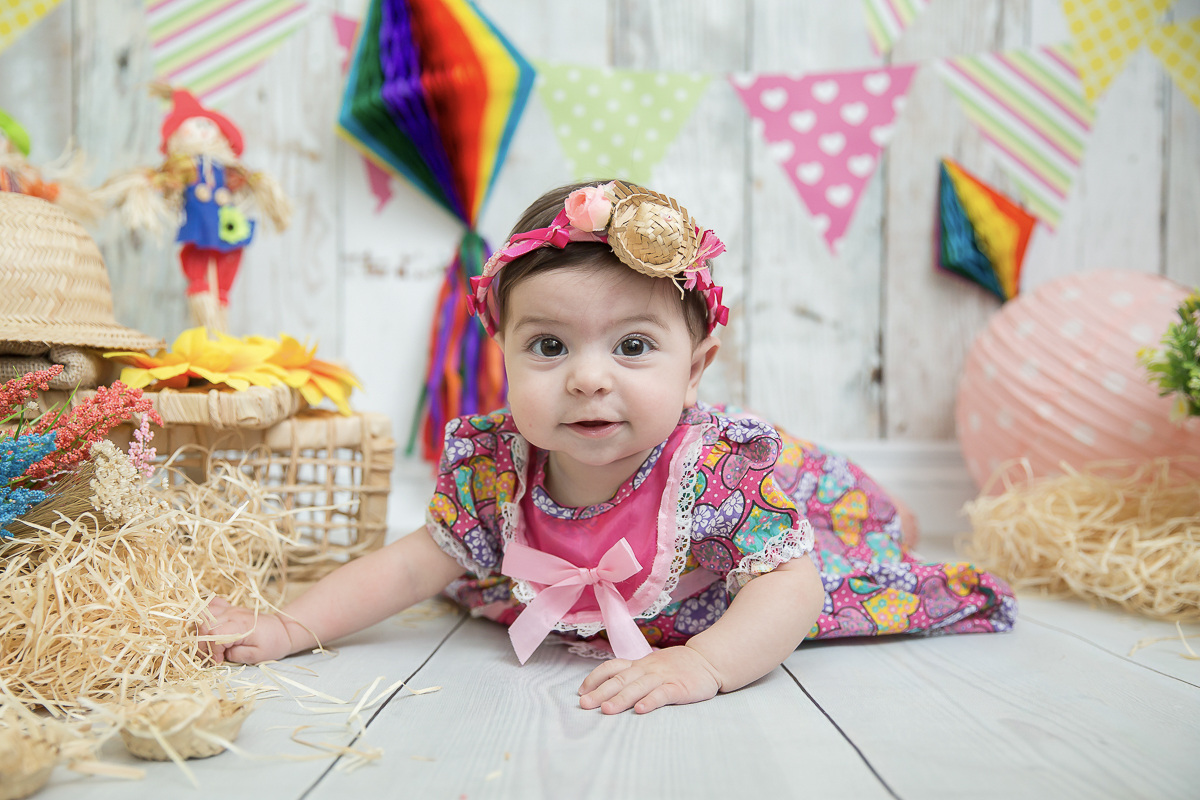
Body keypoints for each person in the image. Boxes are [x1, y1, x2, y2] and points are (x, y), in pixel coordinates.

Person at [201, 180, 1015, 715]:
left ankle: (887, 513)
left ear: (694, 369)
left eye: (632, 346)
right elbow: (413, 565)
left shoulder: (717, 469)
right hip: (611, 571)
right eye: (549, 347)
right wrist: (286, 627)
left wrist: (705, 665)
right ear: (503, 355)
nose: (589, 379)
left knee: (847, 539)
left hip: (750, 539)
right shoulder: (496, 467)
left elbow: (789, 588)